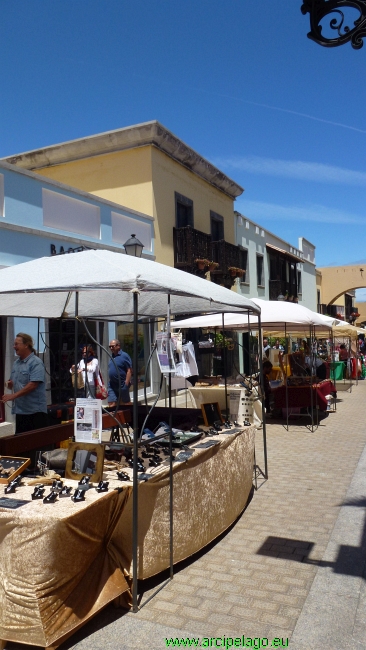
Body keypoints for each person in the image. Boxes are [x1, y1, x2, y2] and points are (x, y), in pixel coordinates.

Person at [1, 333, 48, 434]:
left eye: (16, 344)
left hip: (35, 412)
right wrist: (9, 384)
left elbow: (33, 385)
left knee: (36, 445)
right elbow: (13, 382)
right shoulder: (16, 363)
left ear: (26, 345)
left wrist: (13, 396)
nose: (14, 347)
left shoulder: (36, 362)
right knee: (22, 445)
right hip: (20, 411)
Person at [108, 339, 132, 407]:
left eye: (113, 346)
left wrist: (126, 383)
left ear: (118, 346)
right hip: (112, 384)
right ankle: (112, 417)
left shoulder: (124, 356)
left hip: (122, 384)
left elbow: (129, 370)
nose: (111, 348)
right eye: (110, 347)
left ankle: (130, 414)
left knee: (126, 403)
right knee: (111, 403)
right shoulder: (112, 356)